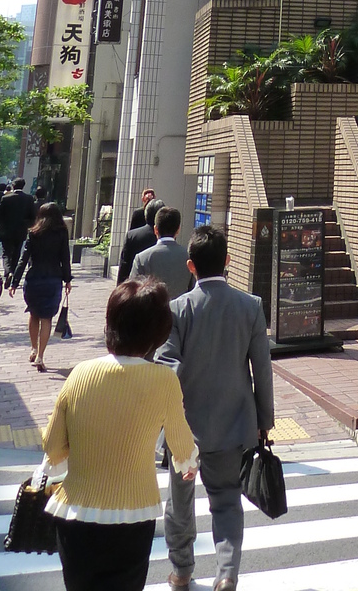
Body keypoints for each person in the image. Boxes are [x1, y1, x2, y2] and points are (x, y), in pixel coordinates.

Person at [41, 279, 197, 591]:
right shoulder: (164, 380)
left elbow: (53, 446)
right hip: (133, 514)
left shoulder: (80, 373)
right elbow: (183, 449)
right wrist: (188, 466)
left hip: (75, 512)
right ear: (157, 333)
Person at [157, 223, 274, 591]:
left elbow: (165, 363)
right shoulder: (250, 306)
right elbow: (262, 370)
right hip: (233, 424)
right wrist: (264, 421)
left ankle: (182, 571)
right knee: (226, 501)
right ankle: (226, 573)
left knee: (179, 504)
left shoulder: (177, 310)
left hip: (184, 429)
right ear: (227, 261)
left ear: (190, 266)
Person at [9, 202, 72, 371]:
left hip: (34, 279)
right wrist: (68, 280)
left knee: (33, 314)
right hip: (53, 280)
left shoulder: (34, 233)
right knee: (47, 319)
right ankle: (40, 356)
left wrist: (14, 282)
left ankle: (33, 348)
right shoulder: (61, 232)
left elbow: (23, 259)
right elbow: (65, 257)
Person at [132, 206, 191, 300]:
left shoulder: (141, 258)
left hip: (150, 312)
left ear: (156, 229)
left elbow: (133, 292)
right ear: (178, 230)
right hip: (181, 312)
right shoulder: (188, 257)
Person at [0, 177, 37, 279]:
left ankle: (7, 272)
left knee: (6, 253)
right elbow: (33, 216)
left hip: (6, 231)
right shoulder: (29, 199)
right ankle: (13, 273)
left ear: (13, 186)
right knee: (17, 253)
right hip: (21, 231)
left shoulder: (6, 198)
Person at [117, 198, 162, 281]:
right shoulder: (165, 237)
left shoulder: (132, 236)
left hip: (136, 285)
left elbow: (124, 266)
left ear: (145, 215)